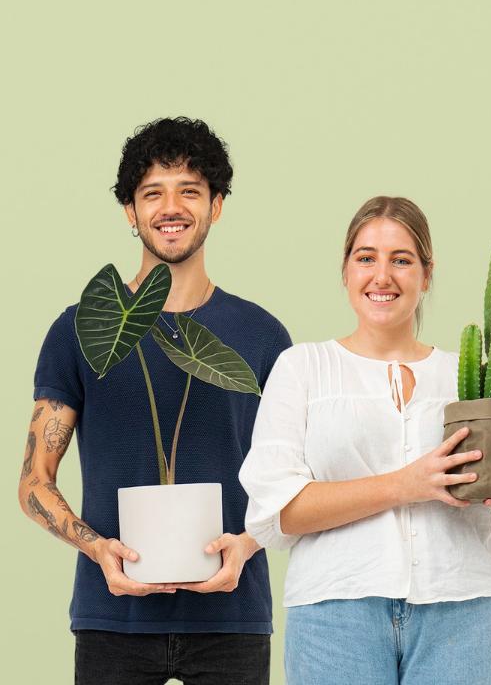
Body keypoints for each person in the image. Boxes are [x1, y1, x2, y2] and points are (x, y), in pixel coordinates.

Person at [23, 116, 291, 685]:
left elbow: (298, 480)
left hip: (233, 616)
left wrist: (245, 545)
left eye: (190, 191)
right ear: (130, 211)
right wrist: (98, 551)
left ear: (217, 205)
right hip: (112, 617)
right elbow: (34, 482)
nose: (171, 207)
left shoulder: (261, 335)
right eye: (153, 193)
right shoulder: (83, 329)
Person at [240, 196, 491, 685]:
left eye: (401, 260)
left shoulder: (465, 376)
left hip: (464, 609)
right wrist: (406, 484)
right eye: (366, 258)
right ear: (345, 271)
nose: (382, 276)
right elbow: (280, 513)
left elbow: (490, 531)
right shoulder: (303, 368)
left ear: (426, 275)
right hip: (335, 613)